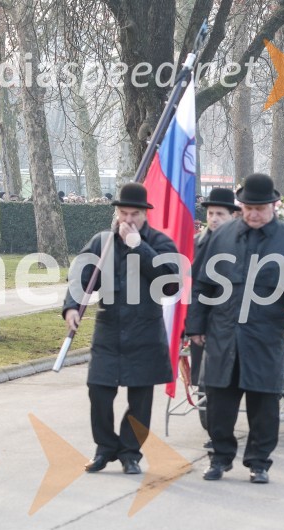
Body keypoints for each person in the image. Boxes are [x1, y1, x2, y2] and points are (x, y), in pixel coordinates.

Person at [186, 174, 284, 484]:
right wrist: (195, 325)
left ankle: (259, 462)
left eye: (259, 208)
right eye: (247, 208)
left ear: (273, 206)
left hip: (264, 335)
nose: (253, 214)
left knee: (264, 405)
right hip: (223, 333)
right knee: (219, 402)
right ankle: (219, 458)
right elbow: (202, 284)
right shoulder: (222, 236)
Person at [62, 183, 180, 476]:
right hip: (109, 329)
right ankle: (105, 448)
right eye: (123, 214)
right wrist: (72, 306)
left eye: (134, 215)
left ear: (145, 215)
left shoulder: (161, 243)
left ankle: (130, 452)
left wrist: (138, 246)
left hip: (145, 331)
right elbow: (81, 275)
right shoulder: (102, 242)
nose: (127, 220)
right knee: (98, 391)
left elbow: (170, 283)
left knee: (140, 399)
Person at [188, 189, 242, 390]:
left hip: (228, 316)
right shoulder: (196, 243)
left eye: (220, 214)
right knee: (205, 375)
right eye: (211, 214)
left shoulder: (239, 243)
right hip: (202, 313)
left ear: (233, 215)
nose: (214, 219)